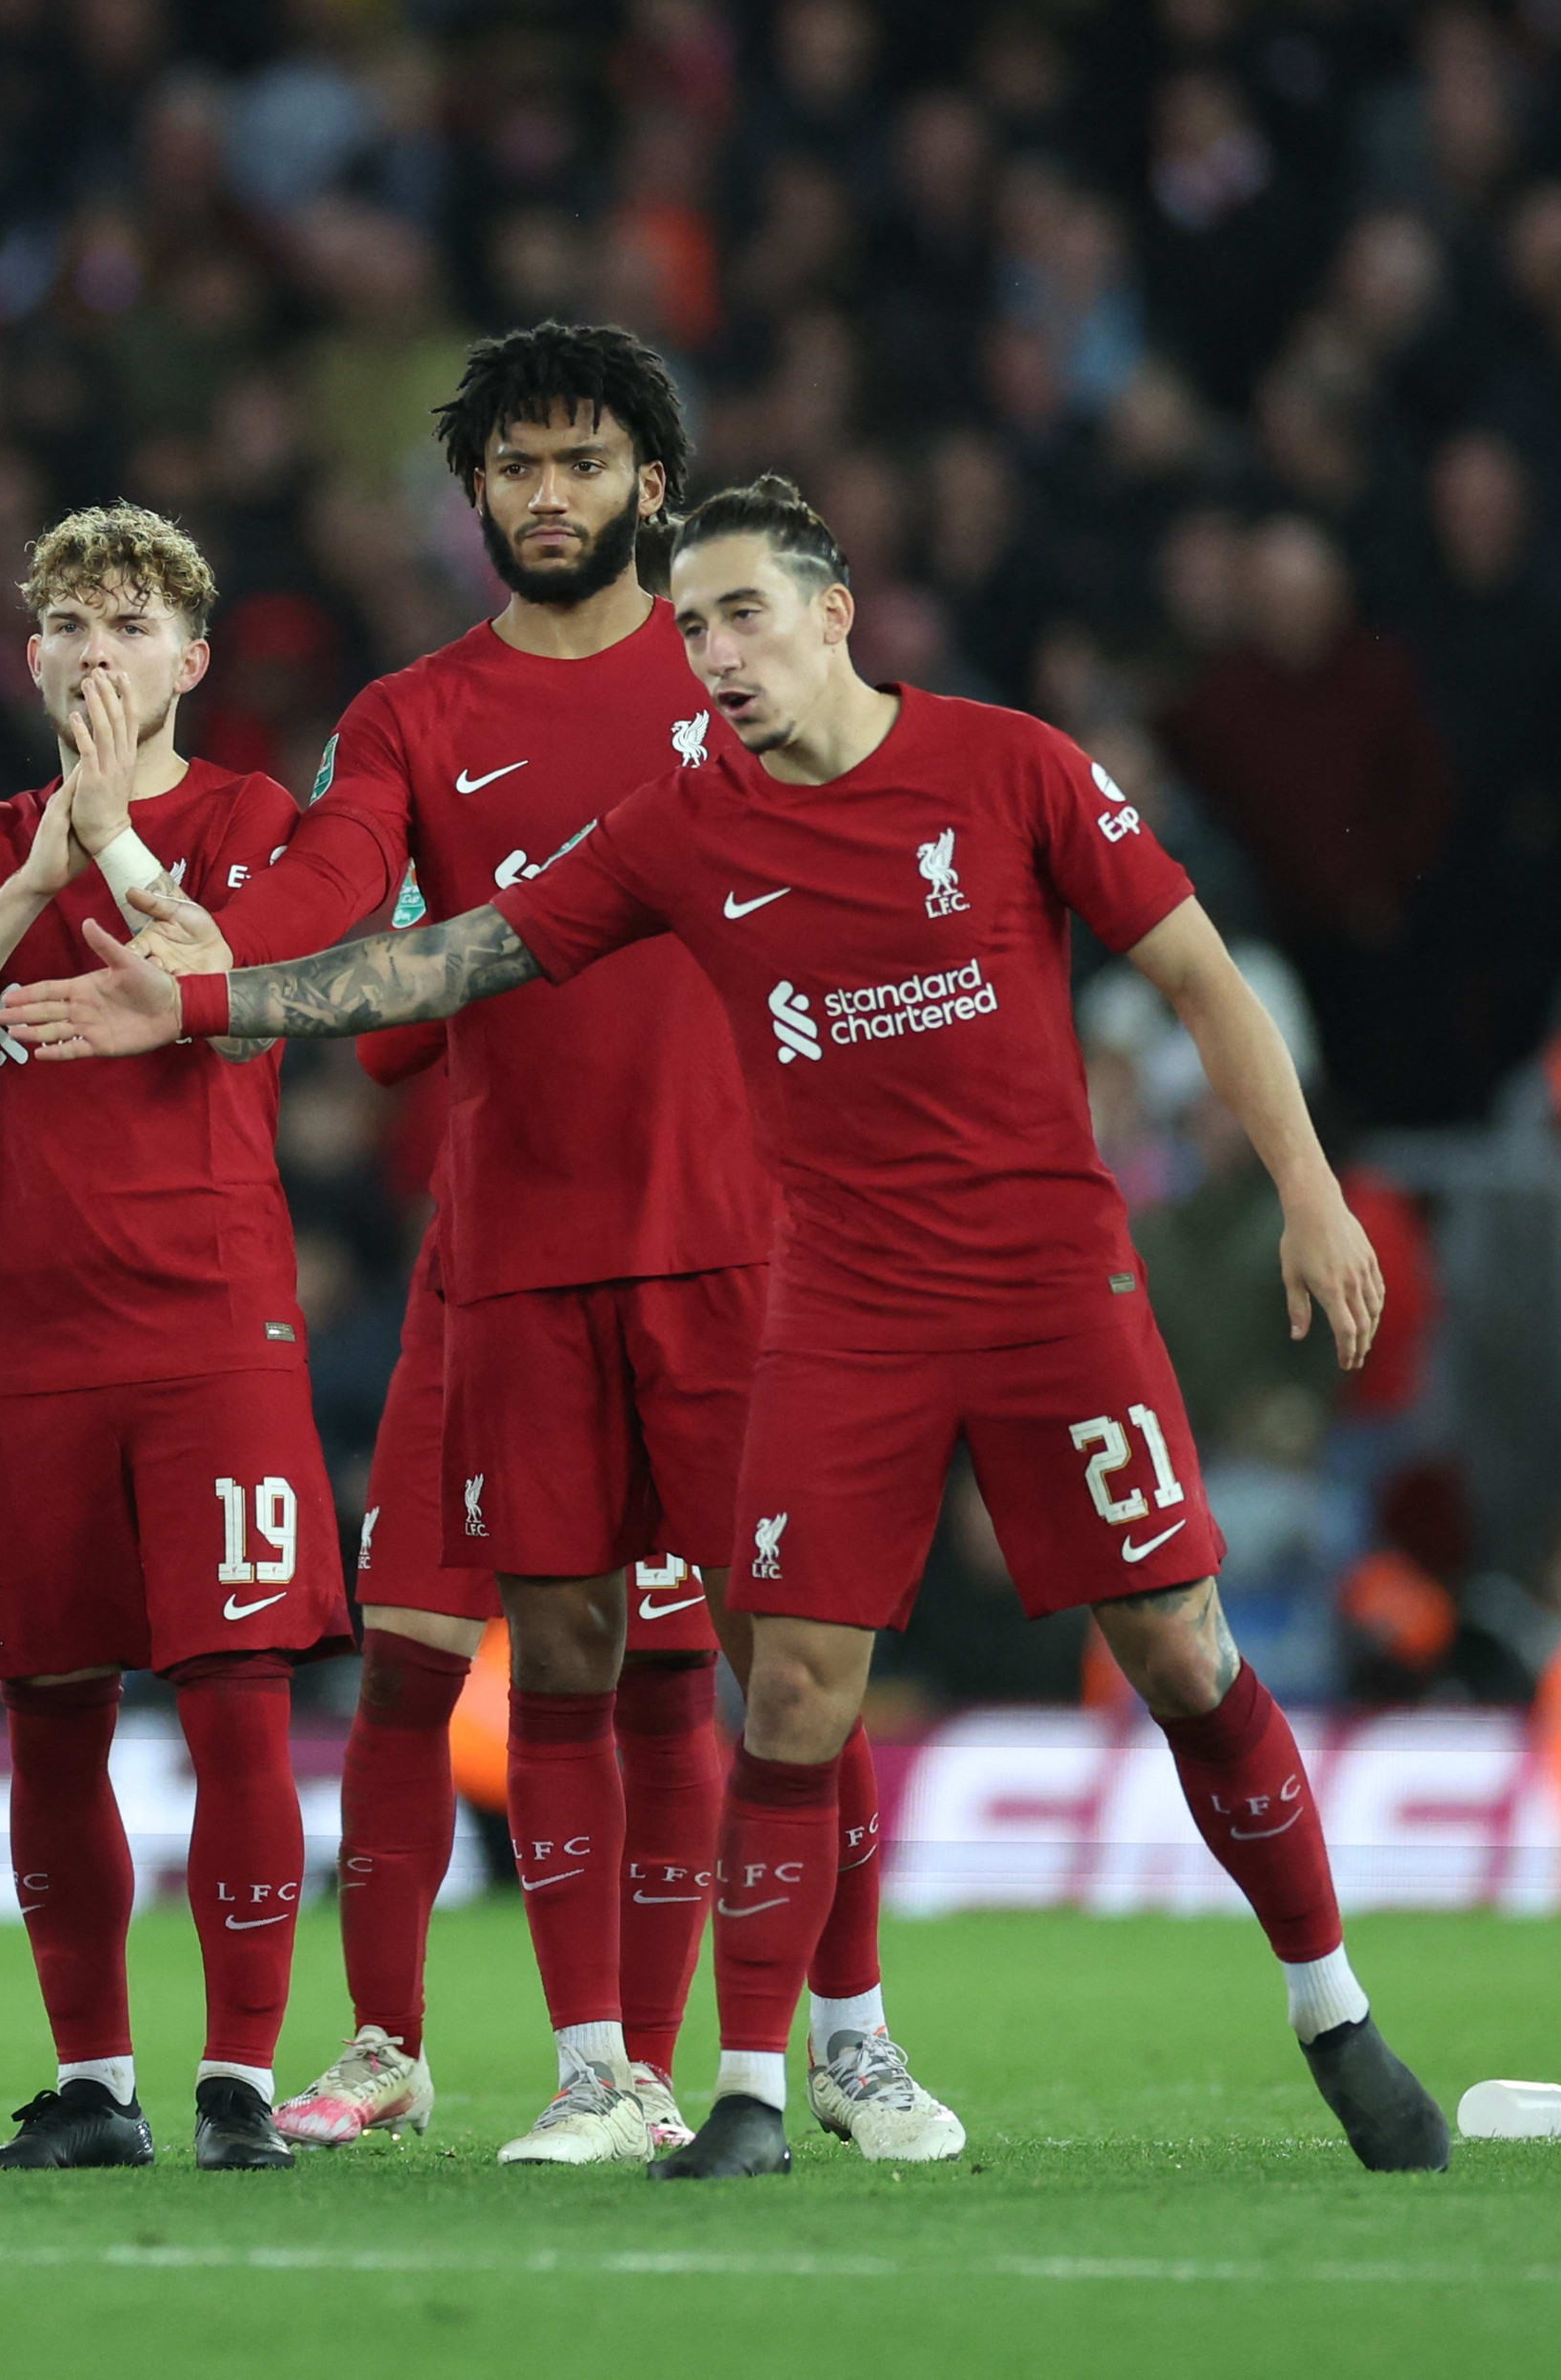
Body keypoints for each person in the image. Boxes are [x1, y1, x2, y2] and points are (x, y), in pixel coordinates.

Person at [0, 473, 1455, 2181]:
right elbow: (449, 960)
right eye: (692, 628)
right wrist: (199, 996)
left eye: (743, 614)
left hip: (1055, 1285)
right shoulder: (687, 819)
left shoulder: (1013, 765)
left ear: (838, 611)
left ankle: (1332, 2004)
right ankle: (760, 2090)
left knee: (1180, 1651)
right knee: (794, 1692)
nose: (715, 656)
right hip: (838, 1308)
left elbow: (1201, 971)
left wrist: (1308, 1186)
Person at [111, 323, 943, 2165]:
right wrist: (218, 958)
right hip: (518, 1251)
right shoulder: (414, 713)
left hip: (748, 1243)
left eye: (581, 463)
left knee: (784, 1652)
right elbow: (348, 886)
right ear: (475, 493)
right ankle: (590, 2069)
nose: (547, 496)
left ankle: (855, 2037)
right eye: (515, 467)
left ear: (654, 485)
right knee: (542, 1649)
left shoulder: (732, 670)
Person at [0, 504, 348, 2174]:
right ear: (30, 653)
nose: (92, 650)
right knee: (50, 1711)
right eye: (65, 622)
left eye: (129, 624)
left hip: (214, 1322)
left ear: (191, 661)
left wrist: (120, 850)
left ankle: (237, 2077)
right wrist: (47, 870)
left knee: (236, 1704)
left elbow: (224, 974)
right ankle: (93, 2081)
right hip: (36, 1335)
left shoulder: (255, 816)